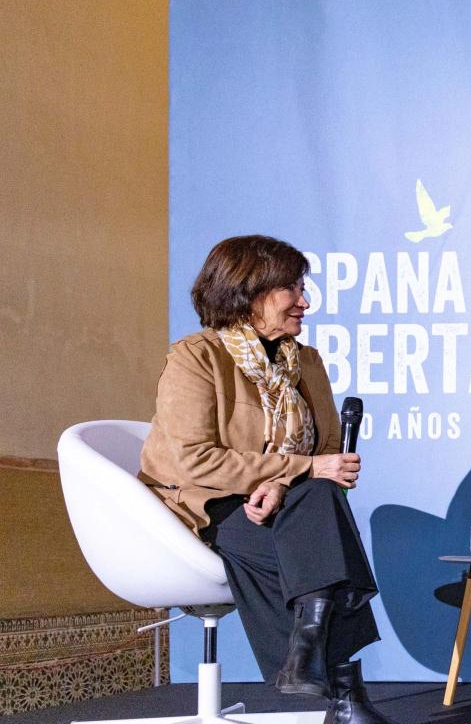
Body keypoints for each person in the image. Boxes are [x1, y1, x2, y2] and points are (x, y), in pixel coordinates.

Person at [139, 235, 394, 724]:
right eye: (291, 288)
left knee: (320, 501)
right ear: (247, 293)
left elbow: (323, 450)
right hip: (205, 506)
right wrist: (299, 471)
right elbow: (193, 460)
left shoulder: (306, 361)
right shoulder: (196, 357)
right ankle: (340, 688)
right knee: (323, 548)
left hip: (290, 500)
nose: (305, 301)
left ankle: (311, 654)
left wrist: (282, 482)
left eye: (302, 287)